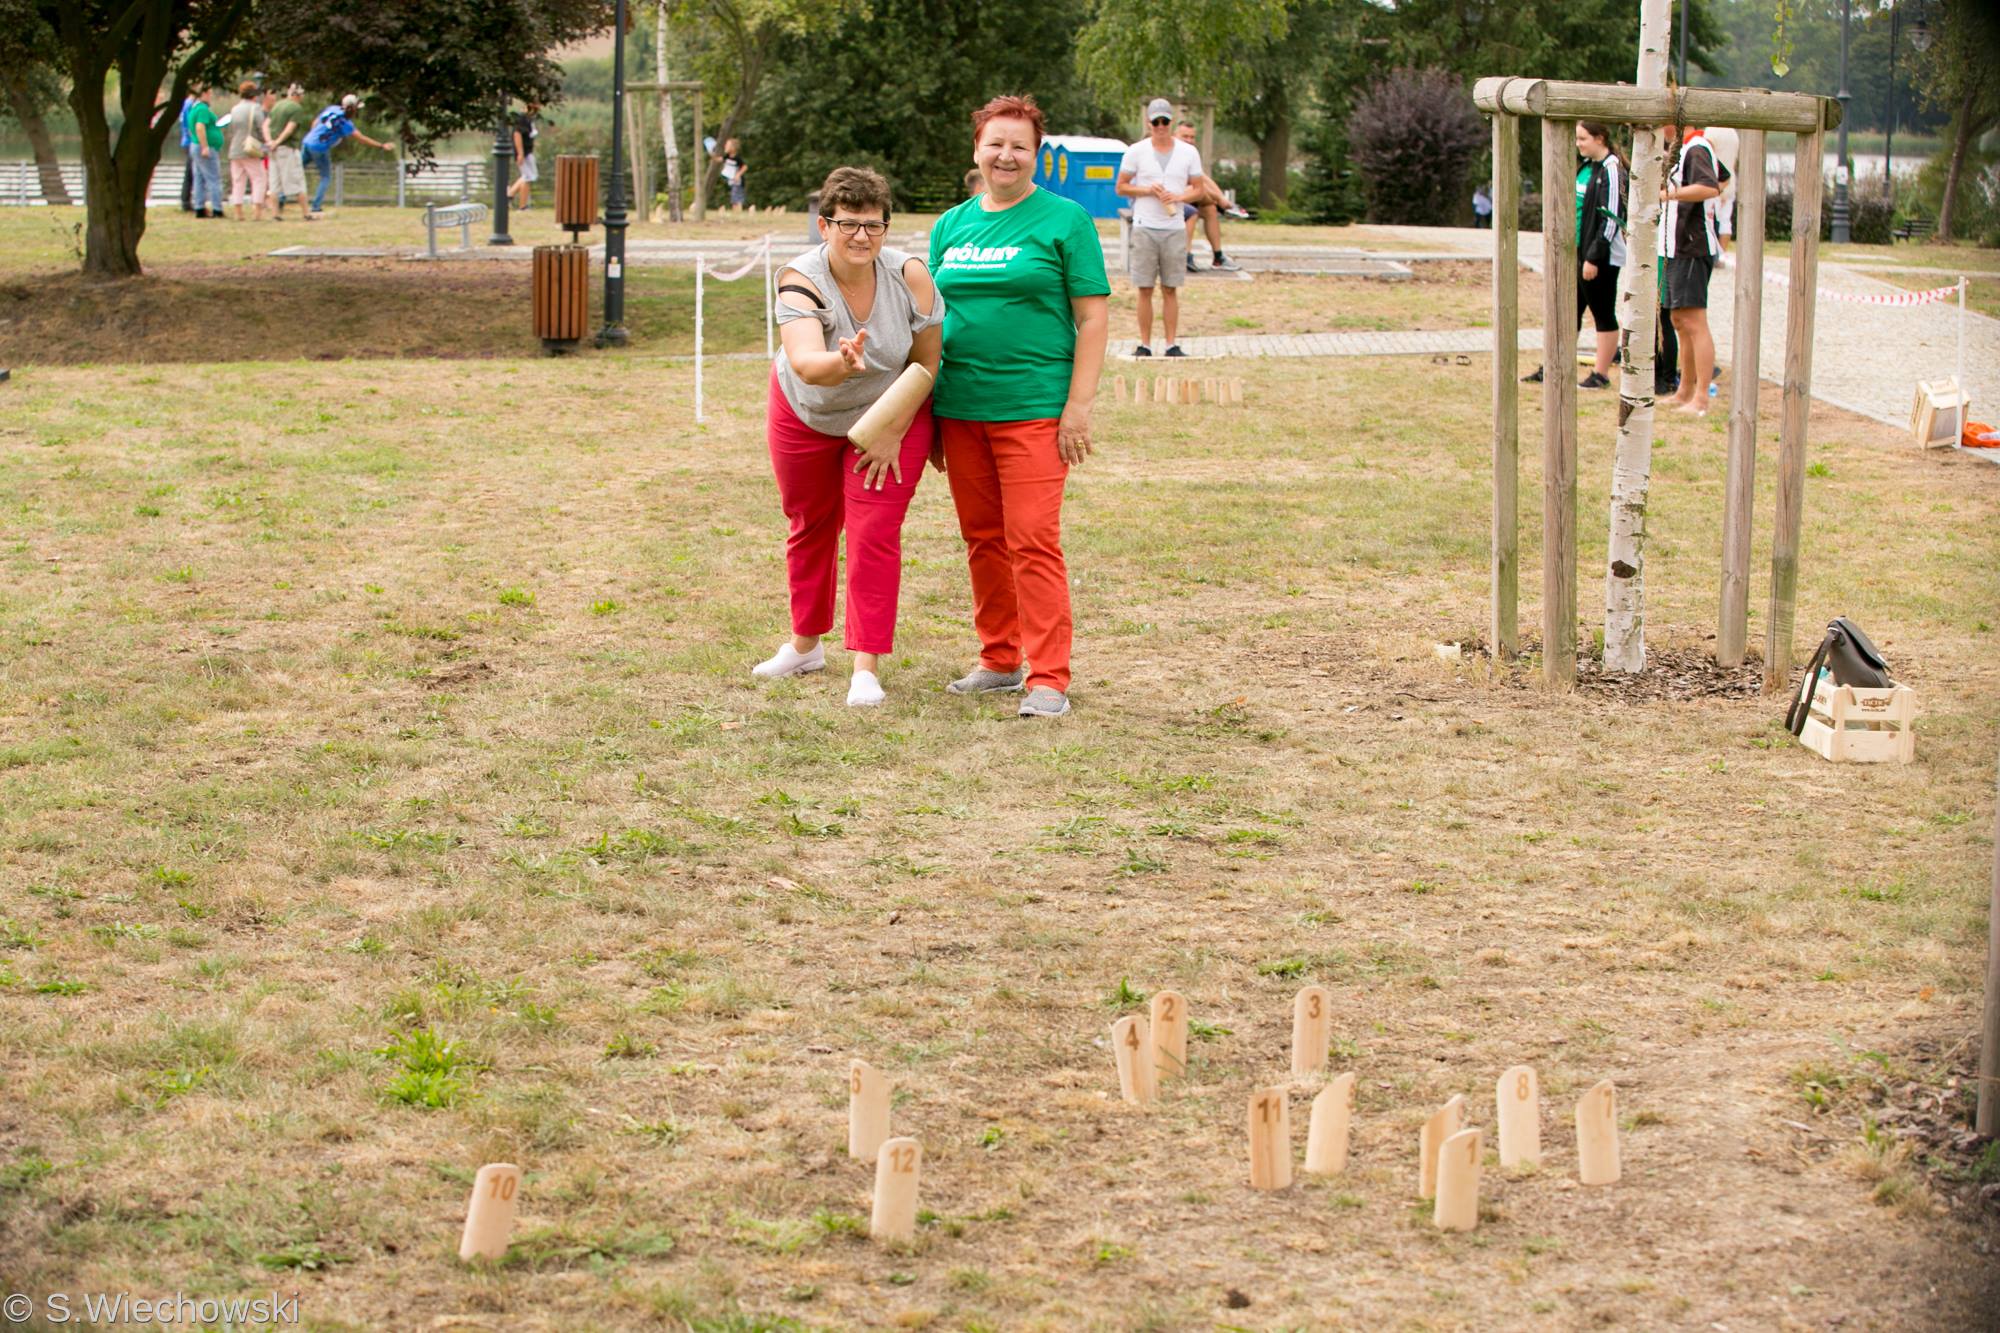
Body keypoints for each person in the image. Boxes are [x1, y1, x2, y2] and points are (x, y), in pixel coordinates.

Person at [930, 94, 1110, 718]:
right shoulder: (951, 225)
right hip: (960, 408)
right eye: (996, 144)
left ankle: (1048, 678)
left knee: (1032, 539)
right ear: (976, 149)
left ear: (1037, 155)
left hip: (1034, 407)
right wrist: (927, 414)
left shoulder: (1065, 220)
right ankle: (1000, 659)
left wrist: (1078, 406)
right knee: (982, 539)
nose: (1006, 156)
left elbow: (1092, 318)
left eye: (1020, 146)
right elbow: (932, 321)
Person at [755, 167, 943, 708]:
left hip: (891, 412)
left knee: (873, 532)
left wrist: (893, 429)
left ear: (885, 227)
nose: (861, 236)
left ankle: (866, 667)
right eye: (847, 224)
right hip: (806, 412)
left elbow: (927, 363)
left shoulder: (910, 275)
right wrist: (841, 362)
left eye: (873, 225)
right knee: (809, 524)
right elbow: (804, 362)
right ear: (824, 225)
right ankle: (805, 646)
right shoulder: (800, 278)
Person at [1522, 122, 1626, 389]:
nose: (1578, 144)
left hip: (1599, 258)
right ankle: (1554, 366)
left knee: (1602, 312)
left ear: (1600, 138)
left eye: (1583, 138)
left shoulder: (1612, 169)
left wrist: (1594, 257)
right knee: (1568, 312)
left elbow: (1611, 218)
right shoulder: (1587, 167)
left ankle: (1601, 374)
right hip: (1576, 254)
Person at [1116, 97, 1205, 357]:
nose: (1161, 126)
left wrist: (1178, 197)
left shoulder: (1188, 153)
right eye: (1156, 122)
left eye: (1165, 121)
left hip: (1174, 227)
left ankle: (1171, 344)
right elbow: (1121, 187)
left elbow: (1198, 189)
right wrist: (1147, 190)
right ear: (1149, 123)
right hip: (1145, 226)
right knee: (1144, 287)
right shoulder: (1136, 151)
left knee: (1170, 288)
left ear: (1171, 122)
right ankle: (1144, 344)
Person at [1659, 112, 1722, 415]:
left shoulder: (1696, 147)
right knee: (1678, 320)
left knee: (1694, 321)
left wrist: (1669, 195)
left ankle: (1701, 397)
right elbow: (1723, 176)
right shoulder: (1685, 149)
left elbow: (1711, 186)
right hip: (1675, 247)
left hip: (1692, 246)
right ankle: (1684, 391)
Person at [302, 94, 396, 217]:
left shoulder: (332, 109)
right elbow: (361, 138)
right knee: (325, 177)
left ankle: (280, 199)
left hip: (307, 142)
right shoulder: (346, 123)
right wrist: (381, 145)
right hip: (320, 148)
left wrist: (313, 135)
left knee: (296, 170)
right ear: (353, 109)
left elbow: (315, 123)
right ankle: (316, 207)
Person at [1174, 120, 1239, 273]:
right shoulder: (1171, 151)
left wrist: (1220, 196)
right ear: (1175, 135)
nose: (1189, 140)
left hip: (1184, 198)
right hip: (1168, 198)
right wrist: (1220, 199)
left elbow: (1203, 178)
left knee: (1210, 208)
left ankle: (1218, 257)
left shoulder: (1190, 155)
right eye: (1185, 136)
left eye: (1192, 137)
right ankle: (1185, 256)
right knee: (1194, 206)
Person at [225, 80, 269, 222]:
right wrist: (265, 143)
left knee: (238, 180)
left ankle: (238, 211)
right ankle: (257, 210)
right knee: (259, 178)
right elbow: (261, 128)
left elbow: (231, 129)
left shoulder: (234, 109)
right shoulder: (255, 109)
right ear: (254, 95)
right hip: (250, 148)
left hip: (235, 148)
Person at [266, 85, 308, 221]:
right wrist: (278, 141)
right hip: (287, 148)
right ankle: (306, 213)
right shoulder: (296, 108)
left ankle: (275, 214)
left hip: (273, 149)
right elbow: (290, 129)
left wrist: (270, 141)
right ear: (298, 95)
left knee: (274, 183)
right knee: (297, 181)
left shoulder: (277, 105)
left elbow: (265, 125)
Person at [187, 86, 225, 219]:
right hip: (204, 146)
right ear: (203, 94)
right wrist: (205, 146)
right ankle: (217, 209)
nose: (211, 96)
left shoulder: (194, 108)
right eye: (209, 93)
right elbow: (199, 127)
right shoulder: (202, 109)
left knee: (199, 177)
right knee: (213, 178)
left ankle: (199, 207)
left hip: (195, 145)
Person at [509, 102, 538, 210]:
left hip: (528, 152)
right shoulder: (522, 119)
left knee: (531, 175)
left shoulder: (529, 119)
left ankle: (510, 195)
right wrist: (520, 153)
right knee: (527, 177)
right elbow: (517, 135)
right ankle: (523, 206)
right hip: (523, 153)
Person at [178, 85, 202, 212]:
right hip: (190, 141)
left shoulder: (185, 103)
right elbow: (190, 124)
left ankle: (186, 199)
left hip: (186, 140)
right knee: (191, 172)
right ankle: (186, 200)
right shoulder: (190, 105)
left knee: (190, 171)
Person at [714, 137, 748, 211]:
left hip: (738, 181)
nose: (725, 146)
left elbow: (745, 167)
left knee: (736, 196)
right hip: (732, 181)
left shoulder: (737, 158)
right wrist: (713, 155)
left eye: (727, 145)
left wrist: (738, 174)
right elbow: (719, 159)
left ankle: (738, 210)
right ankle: (736, 210)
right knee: (734, 196)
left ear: (733, 148)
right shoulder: (727, 156)